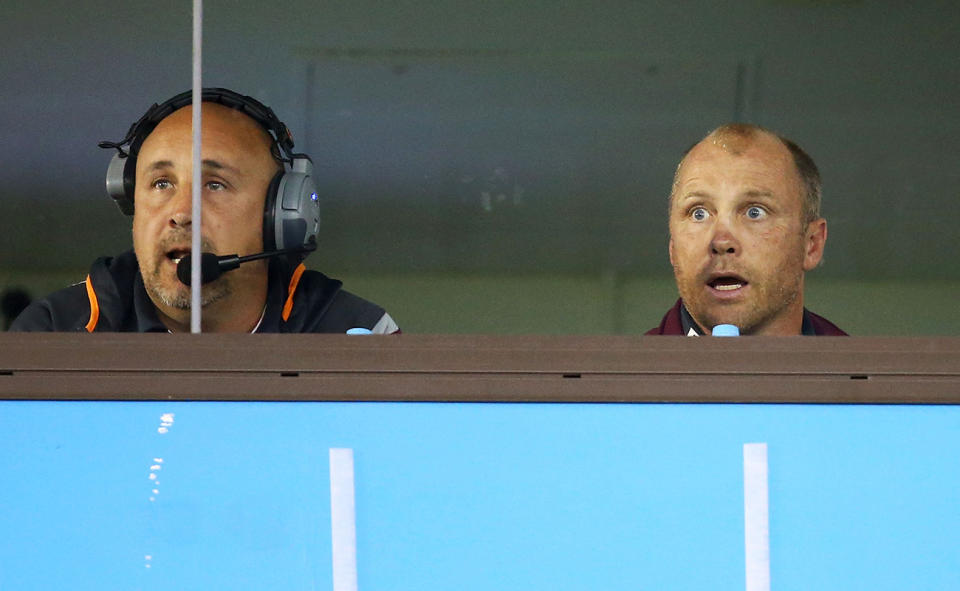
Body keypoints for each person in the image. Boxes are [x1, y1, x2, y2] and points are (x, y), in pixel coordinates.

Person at [12, 88, 398, 333]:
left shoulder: (355, 337)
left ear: (280, 215)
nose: (182, 213)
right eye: (161, 183)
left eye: (215, 185)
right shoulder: (55, 334)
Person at [647, 123, 845, 336]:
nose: (721, 242)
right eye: (699, 214)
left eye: (755, 212)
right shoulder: (623, 369)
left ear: (811, 244)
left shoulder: (859, 368)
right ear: (673, 247)